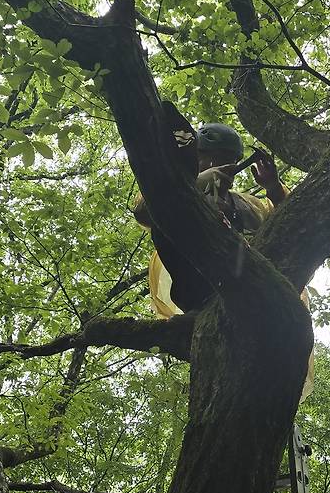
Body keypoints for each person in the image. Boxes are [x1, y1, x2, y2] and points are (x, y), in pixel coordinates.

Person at [133, 122, 313, 399]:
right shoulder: (173, 188)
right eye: (211, 157)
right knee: (168, 221)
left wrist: (273, 187)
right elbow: (145, 211)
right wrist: (202, 180)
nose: (220, 164)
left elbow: (291, 227)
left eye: (226, 160)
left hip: (242, 282)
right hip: (196, 284)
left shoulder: (242, 203)